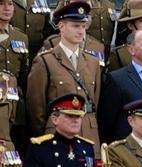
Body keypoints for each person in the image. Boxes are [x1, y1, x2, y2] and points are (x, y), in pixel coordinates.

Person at [26, 1, 102, 157]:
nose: (81, 30)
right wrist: (46, 133)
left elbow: (95, 101)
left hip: (89, 135)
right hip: (57, 136)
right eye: (75, 26)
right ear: (61, 25)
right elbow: (36, 108)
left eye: (83, 26)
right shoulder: (45, 61)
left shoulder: (93, 62)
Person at [0, 0, 29, 154]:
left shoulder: (21, 37)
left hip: (16, 108)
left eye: (10, 4)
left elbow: (24, 74)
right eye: (1, 4)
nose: (6, 8)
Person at [41, 0, 106, 69]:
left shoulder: (98, 46)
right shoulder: (52, 43)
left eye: (88, 15)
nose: (86, 18)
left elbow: (98, 76)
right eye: (76, 25)